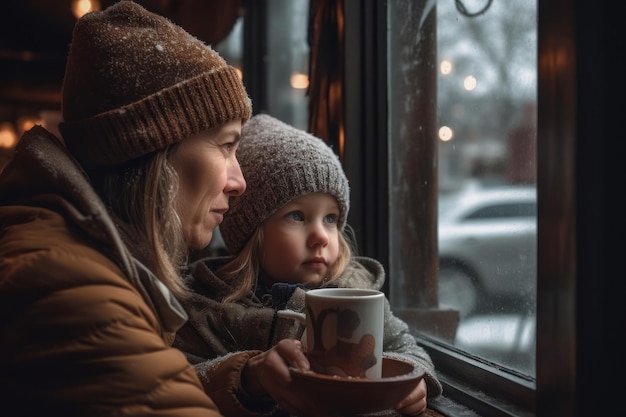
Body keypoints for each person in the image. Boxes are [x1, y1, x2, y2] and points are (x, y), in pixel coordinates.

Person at [0, 3, 311, 416]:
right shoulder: (72, 291)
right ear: (154, 152)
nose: (240, 182)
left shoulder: (77, 260)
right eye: (225, 145)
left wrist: (246, 380)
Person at [175, 114, 443, 416]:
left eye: (330, 219)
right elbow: (181, 381)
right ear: (251, 232)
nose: (320, 236)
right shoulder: (206, 307)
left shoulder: (355, 293)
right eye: (297, 216)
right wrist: (248, 378)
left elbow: (408, 349)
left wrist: (414, 380)